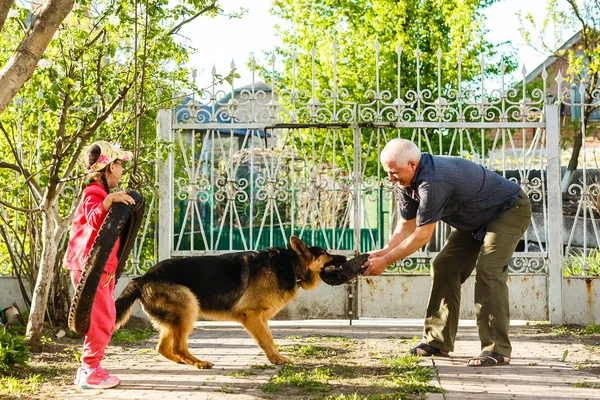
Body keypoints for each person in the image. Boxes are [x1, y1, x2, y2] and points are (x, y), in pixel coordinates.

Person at [363, 138, 531, 367]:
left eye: (393, 172)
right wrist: (383, 252)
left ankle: (497, 349)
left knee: (488, 270)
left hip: (508, 209)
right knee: (444, 266)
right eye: (388, 173)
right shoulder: (406, 183)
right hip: (473, 219)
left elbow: (422, 236)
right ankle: (437, 341)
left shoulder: (433, 181)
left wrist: (386, 262)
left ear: (412, 164)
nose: (391, 178)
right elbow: (406, 226)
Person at [63, 141, 135, 389]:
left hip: (99, 267)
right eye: (119, 165)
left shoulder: (99, 192)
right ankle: (90, 369)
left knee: (105, 317)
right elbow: (94, 220)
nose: (121, 170)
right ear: (110, 167)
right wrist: (109, 201)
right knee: (102, 320)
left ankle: (88, 368)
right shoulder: (93, 192)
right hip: (90, 268)